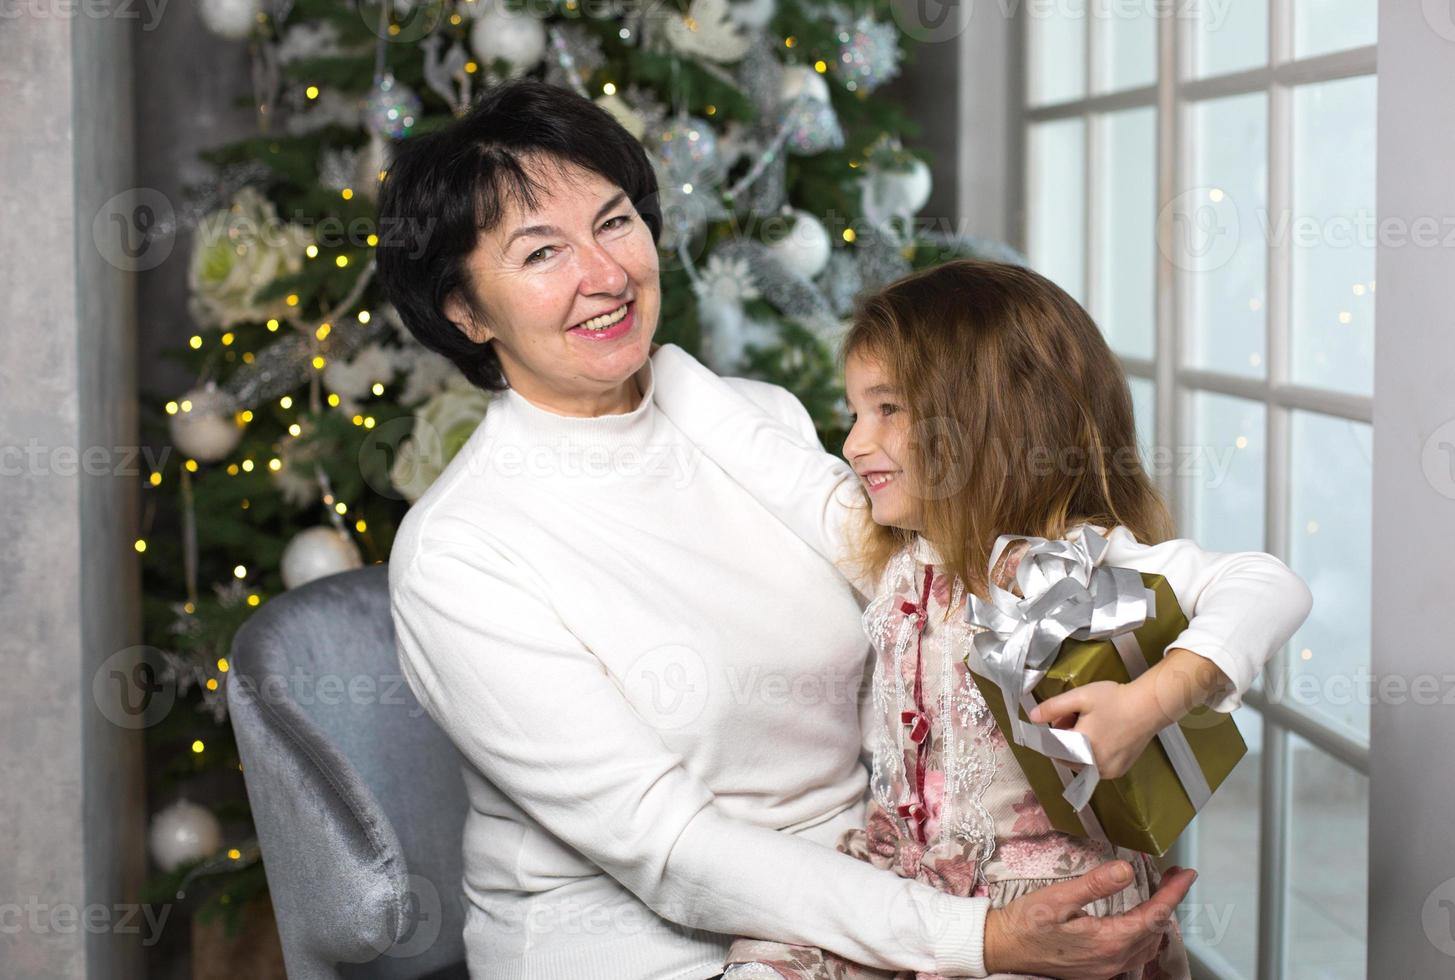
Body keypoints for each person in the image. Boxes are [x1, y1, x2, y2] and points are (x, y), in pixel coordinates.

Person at [376, 78, 1301, 979]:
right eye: (541, 253)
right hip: (648, 942)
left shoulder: (748, 423)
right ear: (463, 309)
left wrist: (1148, 693)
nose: (605, 274)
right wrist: (977, 938)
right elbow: (671, 850)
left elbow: (940, 571)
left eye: (615, 221)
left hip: (892, 881)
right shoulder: (462, 551)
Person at [646, 259, 1312, 979]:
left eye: (887, 410)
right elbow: (770, 462)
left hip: (1049, 903)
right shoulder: (896, 556)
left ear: (986, 416)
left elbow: (1265, 584)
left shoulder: (1063, 566)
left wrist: (1147, 702)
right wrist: (646, 362)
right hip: (910, 878)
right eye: (853, 413)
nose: (853, 443)